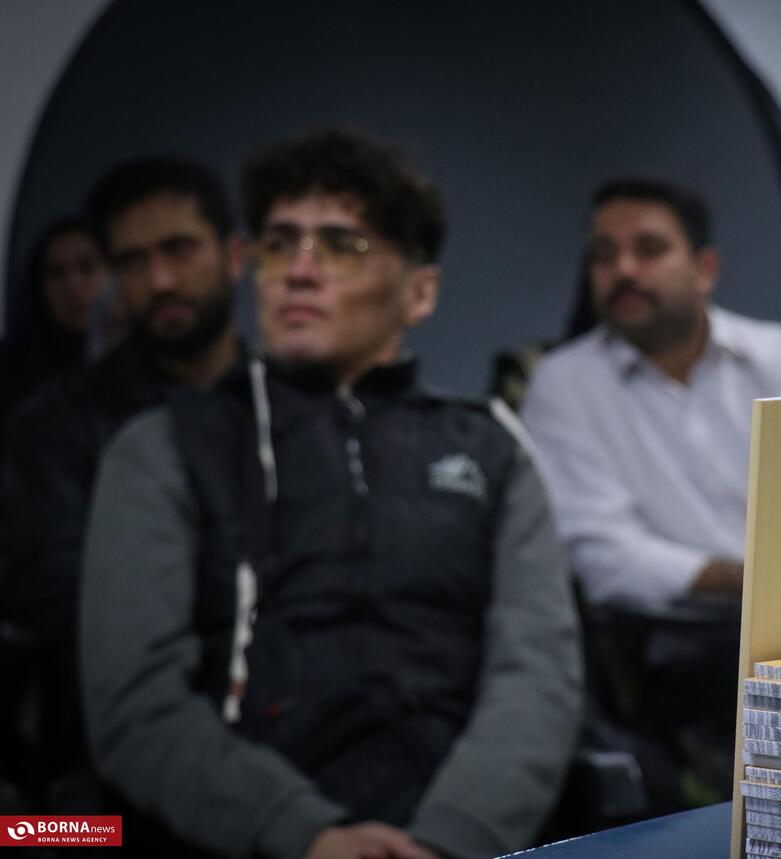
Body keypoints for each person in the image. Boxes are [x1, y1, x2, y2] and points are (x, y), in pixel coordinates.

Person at [79, 129, 581, 859]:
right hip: (251, 836)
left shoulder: (491, 447)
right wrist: (305, 833)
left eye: (342, 246)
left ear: (419, 292)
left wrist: (451, 837)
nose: (299, 272)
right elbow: (135, 703)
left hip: (459, 832)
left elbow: (537, 674)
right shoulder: (165, 446)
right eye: (279, 245)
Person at [0, 157, 244, 805]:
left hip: (297, 762)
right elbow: (44, 590)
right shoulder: (57, 424)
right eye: (132, 261)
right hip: (101, 788)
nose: (159, 280)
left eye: (179, 249)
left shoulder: (294, 412)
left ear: (234, 256)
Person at [521, 177, 781, 612]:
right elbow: (599, 551)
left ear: (705, 270)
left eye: (649, 250)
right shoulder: (565, 383)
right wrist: (741, 578)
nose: (624, 270)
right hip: (671, 635)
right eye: (604, 256)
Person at [0, 218, 111, 437]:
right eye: (56, 273)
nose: (73, 285)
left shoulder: (143, 362)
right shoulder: (10, 372)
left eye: (87, 267)